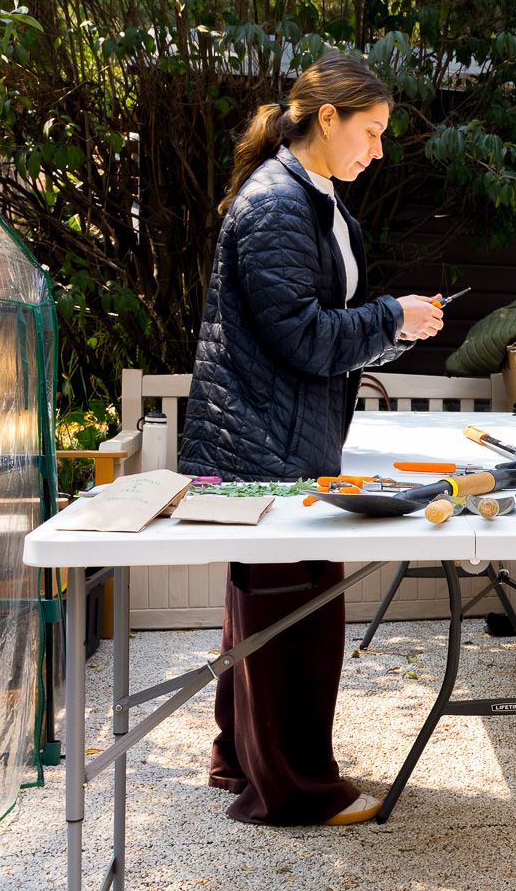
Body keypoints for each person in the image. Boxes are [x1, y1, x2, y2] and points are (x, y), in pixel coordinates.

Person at [178, 53, 447, 827]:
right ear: (326, 118)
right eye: (371, 130)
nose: (378, 149)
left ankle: (241, 761)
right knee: (297, 614)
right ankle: (292, 792)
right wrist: (390, 317)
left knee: (267, 608)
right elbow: (297, 335)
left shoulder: (317, 199)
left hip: (281, 439)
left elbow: (328, 330)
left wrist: (399, 325)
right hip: (263, 448)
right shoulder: (276, 204)